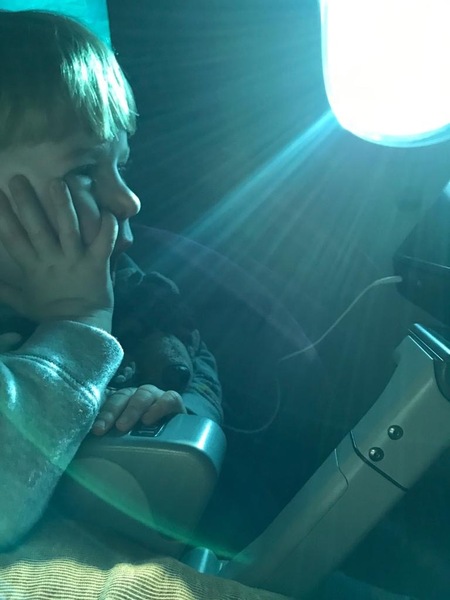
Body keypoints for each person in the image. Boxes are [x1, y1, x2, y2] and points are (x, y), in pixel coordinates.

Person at [0, 8, 291, 600]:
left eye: (121, 165)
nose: (129, 199)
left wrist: (163, 400)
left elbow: (186, 358)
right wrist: (76, 322)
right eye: (86, 169)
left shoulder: (129, 284)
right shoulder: (85, 296)